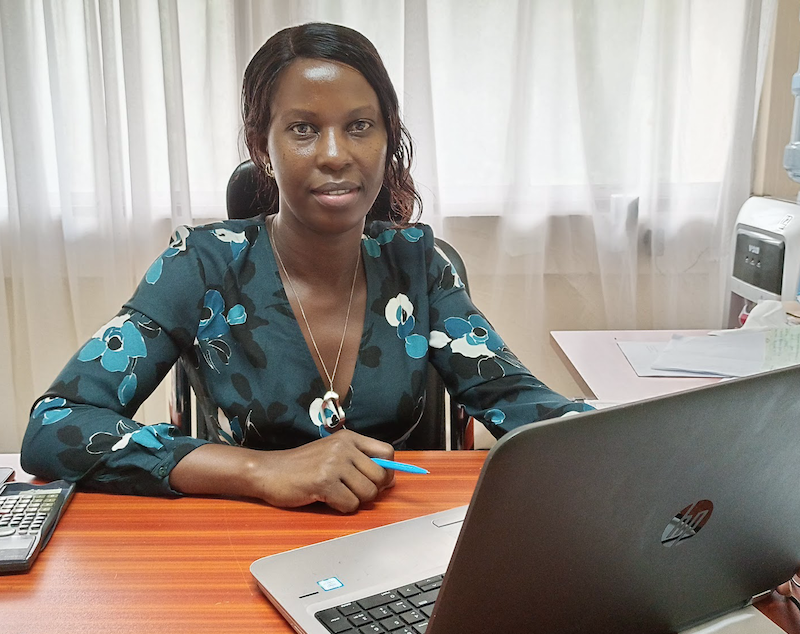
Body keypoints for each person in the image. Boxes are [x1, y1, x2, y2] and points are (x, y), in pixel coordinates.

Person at [21, 22, 588, 513]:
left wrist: (622, 440)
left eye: (360, 126)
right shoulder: (202, 264)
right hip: (238, 542)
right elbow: (55, 425)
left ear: (387, 140)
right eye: (303, 129)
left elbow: (519, 401)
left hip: (388, 543)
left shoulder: (417, 264)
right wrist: (259, 471)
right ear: (261, 147)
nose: (335, 154)